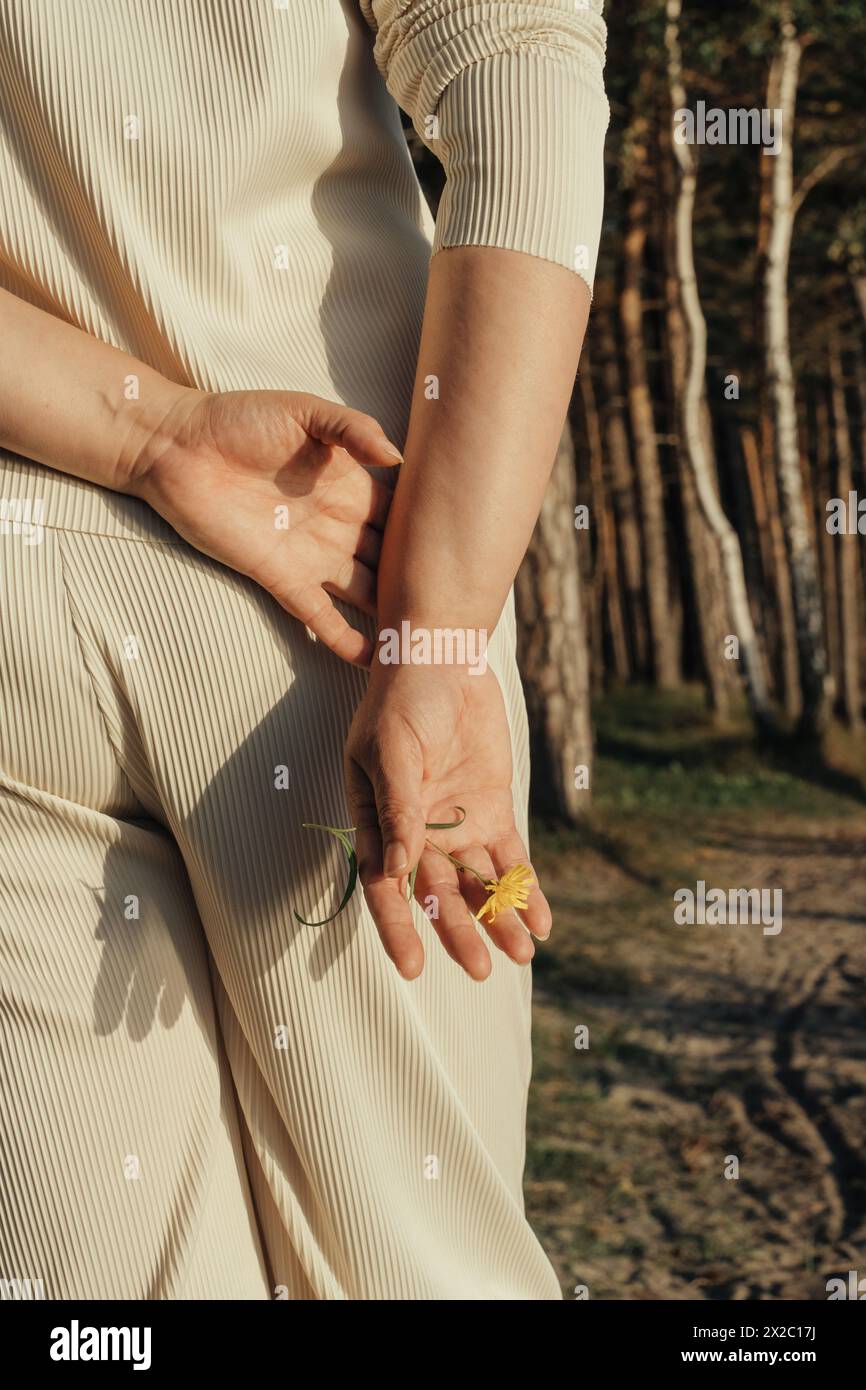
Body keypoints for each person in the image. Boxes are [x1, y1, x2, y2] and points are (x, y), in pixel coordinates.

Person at [0, 0, 608, 1299]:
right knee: (420, 1262)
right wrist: (440, 618)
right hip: (342, 601)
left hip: (20, 609)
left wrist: (150, 435)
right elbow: (520, 85)